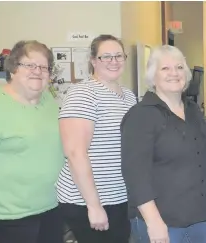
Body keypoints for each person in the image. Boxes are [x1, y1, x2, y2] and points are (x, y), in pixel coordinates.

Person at [0, 40, 65, 243]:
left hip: (51, 209)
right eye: (30, 65)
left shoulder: (49, 103)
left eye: (44, 67)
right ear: (14, 69)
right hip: (8, 218)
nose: (38, 71)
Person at [121, 45, 206, 243]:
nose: (174, 73)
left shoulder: (193, 111)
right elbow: (135, 175)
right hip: (163, 223)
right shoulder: (140, 116)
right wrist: (154, 222)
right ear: (153, 77)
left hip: (200, 220)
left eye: (179, 67)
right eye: (165, 69)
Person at [56, 34, 137, 243]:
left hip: (118, 197)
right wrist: (94, 205)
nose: (114, 61)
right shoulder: (82, 94)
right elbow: (75, 153)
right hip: (87, 201)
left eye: (119, 55)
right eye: (106, 57)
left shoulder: (128, 96)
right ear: (93, 61)